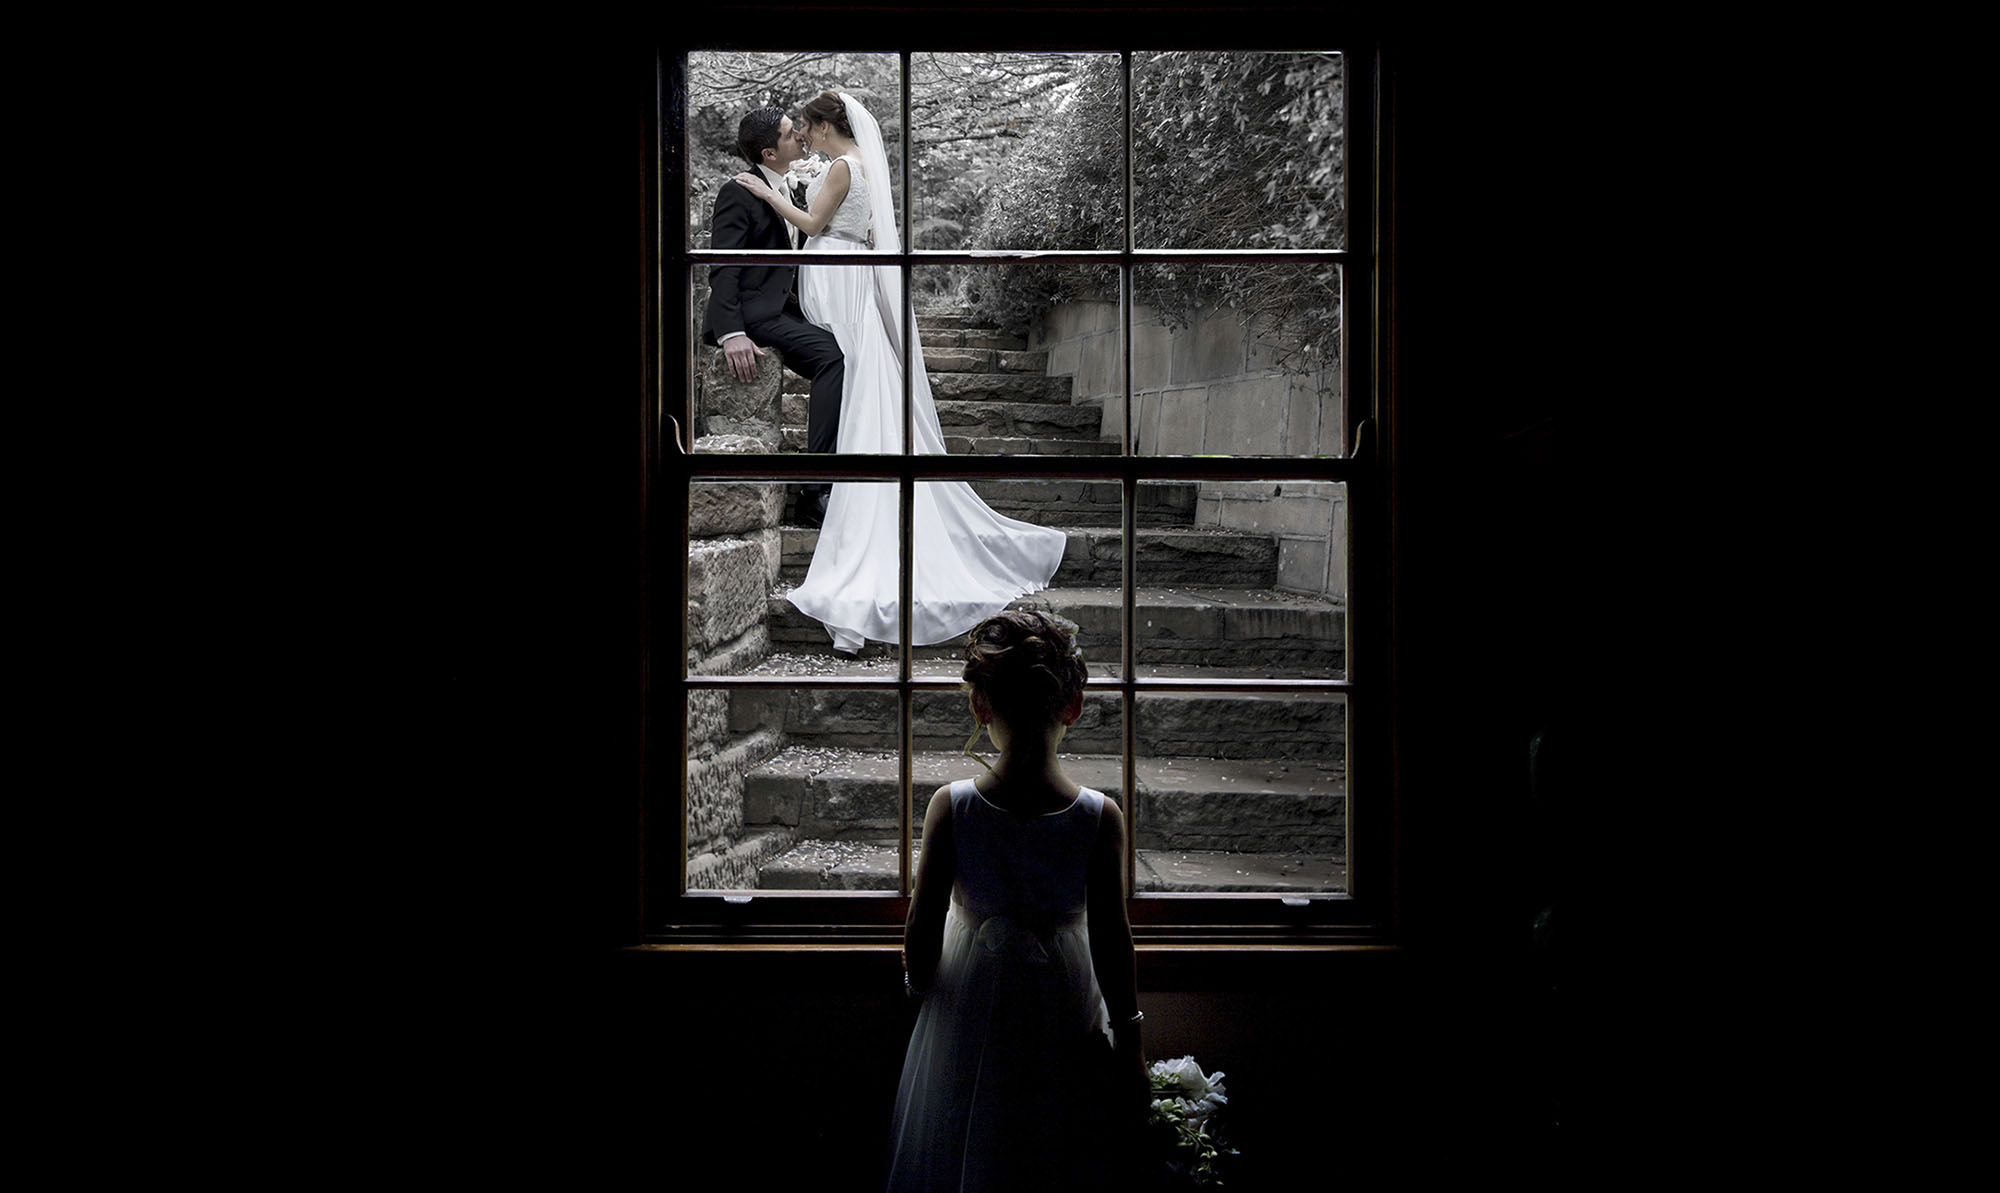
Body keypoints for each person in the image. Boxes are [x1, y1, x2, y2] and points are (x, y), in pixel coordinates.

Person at [730, 91, 1066, 656]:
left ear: (824, 123)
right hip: (843, 271)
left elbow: (814, 222)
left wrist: (767, 193)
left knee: (855, 373)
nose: (803, 136)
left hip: (838, 277)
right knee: (855, 371)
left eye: (806, 126)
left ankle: (848, 497)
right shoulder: (854, 164)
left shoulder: (841, 165)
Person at [884, 611, 1148, 1193]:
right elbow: (1111, 940)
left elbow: (921, 940)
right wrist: (1130, 1047)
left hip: (969, 1008)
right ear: (1073, 707)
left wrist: (917, 994)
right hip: (1064, 1003)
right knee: (1057, 1148)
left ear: (981, 707)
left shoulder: (952, 808)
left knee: (966, 1138)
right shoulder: (1099, 818)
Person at [702, 107, 845, 526]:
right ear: (768, 152)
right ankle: (814, 491)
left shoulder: (790, 187)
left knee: (850, 353)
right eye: (788, 134)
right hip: (756, 313)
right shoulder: (738, 191)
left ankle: (831, 481)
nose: (799, 136)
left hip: (790, 308)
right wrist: (731, 332)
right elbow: (723, 263)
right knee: (832, 357)